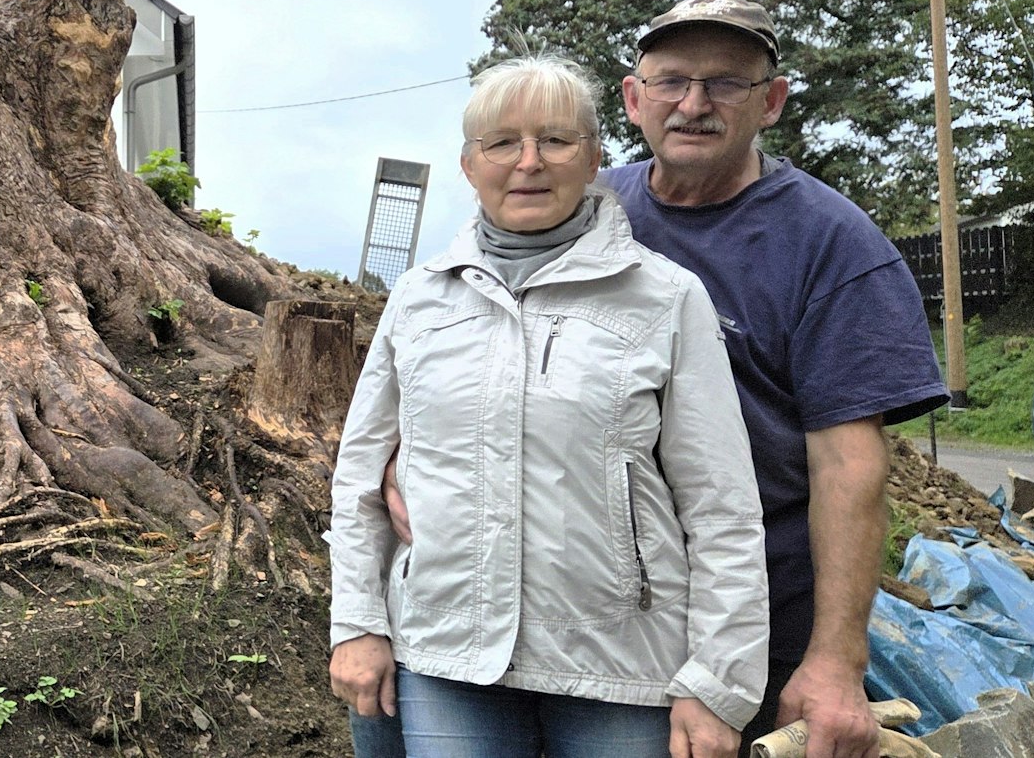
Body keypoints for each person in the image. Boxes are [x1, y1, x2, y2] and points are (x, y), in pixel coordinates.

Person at [329, 54, 768, 758]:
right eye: (502, 142)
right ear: (470, 165)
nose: (528, 162)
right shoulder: (418, 300)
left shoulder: (664, 297)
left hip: (620, 663)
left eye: (555, 140)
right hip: (449, 653)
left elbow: (722, 507)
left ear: (595, 157)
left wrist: (718, 680)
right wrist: (356, 620)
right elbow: (360, 478)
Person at [601, 0, 948, 756]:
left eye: (726, 82)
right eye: (672, 80)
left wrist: (834, 659)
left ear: (773, 102)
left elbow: (847, 464)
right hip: (601, 608)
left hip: (757, 613)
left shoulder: (831, 244)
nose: (695, 103)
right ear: (633, 97)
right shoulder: (590, 210)